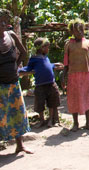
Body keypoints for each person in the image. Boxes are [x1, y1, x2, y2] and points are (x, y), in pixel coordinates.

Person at [0, 9, 32, 154]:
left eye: (4, 21)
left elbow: (24, 52)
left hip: (13, 82)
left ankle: (20, 145)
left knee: (17, 113)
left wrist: (16, 67)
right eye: (0, 21)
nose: (2, 23)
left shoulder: (11, 35)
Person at [19, 38, 63, 128]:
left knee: (52, 102)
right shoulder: (34, 59)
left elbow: (48, 65)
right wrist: (19, 70)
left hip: (51, 83)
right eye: (47, 47)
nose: (48, 49)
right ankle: (42, 120)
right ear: (42, 48)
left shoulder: (46, 57)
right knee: (40, 103)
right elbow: (28, 68)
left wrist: (54, 65)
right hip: (40, 85)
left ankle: (51, 120)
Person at [63, 19, 89, 131]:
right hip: (73, 75)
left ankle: (88, 123)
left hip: (86, 74)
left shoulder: (88, 43)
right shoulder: (68, 45)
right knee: (73, 98)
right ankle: (76, 123)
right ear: (72, 31)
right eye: (77, 30)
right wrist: (64, 76)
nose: (80, 32)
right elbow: (66, 62)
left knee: (87, 97)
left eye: (81, 29)